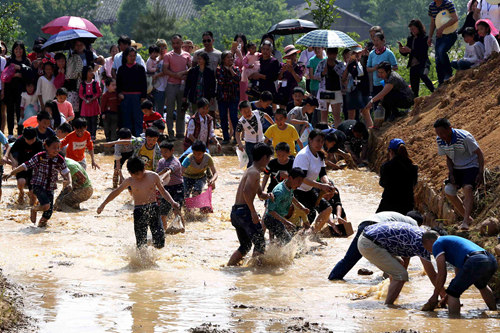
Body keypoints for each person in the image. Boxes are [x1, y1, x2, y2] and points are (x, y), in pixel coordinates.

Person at [97, 157, 180, 249]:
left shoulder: (153, 176)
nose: (135, 176)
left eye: (137, 174)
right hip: (139, 211)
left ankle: (150, 242)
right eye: (132, 174)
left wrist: (173, 202)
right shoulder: (130, 180)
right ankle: (144, 248)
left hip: (153, 208)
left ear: (144, 169)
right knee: (140, 245)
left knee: (160, 244)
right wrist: (103, 204)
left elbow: (163, 191)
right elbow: (116, 192)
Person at [357, 222, 441, 305]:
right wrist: (444, 296)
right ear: (429, 241)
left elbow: (405, 256)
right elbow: (432, 275)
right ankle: (388, 306)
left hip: (368, 238)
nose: (437, 248)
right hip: (369, 243)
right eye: (436, 245)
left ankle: (392, 296)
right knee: (401, 274)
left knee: (400, 264)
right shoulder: (422, 244)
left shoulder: (422, 235)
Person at [328, 211, 421, 280]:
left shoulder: (398, 216)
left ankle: (333, 279)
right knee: (391, 260)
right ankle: (387, 282)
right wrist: (403, 278)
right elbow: (406, 256)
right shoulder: (414, 225)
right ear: (420, 224)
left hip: (365, 224)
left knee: (350, 258)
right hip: (378, 227)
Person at [422, 232, 497, 315]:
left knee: (453, 293)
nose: (429, 252)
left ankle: (454, 322)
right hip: (491, 260)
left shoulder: (437, 244)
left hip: (475, 260)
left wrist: (435, 296)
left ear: (428, 240)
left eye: (426, 248)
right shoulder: (450, 242)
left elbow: (442, 272)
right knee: (481, 286)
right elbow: (459, 276)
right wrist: (446, 298)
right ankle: (494, 312)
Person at [3, 136, 71, 227]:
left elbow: (66, 171)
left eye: (58, 147)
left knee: (48, 214)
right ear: (46, 146)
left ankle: (39, 229)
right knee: (46, 205)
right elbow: (25, 165)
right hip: (38, 185)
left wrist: (69, 182)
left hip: (50, 187)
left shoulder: (59, 159)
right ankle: (34, 209)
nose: (57, 150)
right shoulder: (40, 156)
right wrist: (11, 173)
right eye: (54, 147)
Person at [227, 143, 274, 266]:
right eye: (269, 158)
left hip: (236, 212)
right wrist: (253, 212)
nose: (269, 161)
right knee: (260, 243)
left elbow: (259, 194)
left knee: (246, 245)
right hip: (244, 212)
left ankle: (230, 267)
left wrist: (268, 195)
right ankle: (256, 273)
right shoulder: (255, 173)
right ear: (264, 158)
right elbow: (246, 192)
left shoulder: (250, 170)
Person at [434, 118, 484, 230]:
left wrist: (480, 172)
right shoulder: (440, 140)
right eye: (438, 133)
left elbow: (479, 153)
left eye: (442, 133)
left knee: (468, 188)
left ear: (450, 129)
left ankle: (465, 221)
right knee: (448, 190)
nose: (441, 136)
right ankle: (468, 218)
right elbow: (448, 157)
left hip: (471, 165)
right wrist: (451, 173)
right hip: (457, 168)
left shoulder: (465, 137)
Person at [293, 129, 336, 242]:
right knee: (303, 221)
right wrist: (321, 186)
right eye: (317, 141)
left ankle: (313, 235)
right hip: (297, 191)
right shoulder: (304, 155)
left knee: (327, 209)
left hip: (310, 190)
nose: (320, 144)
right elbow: (301, 179)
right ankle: (297, 245)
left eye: (322, 141)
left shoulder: (319, 155)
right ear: (310, 140)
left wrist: (327, 183)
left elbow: (322, 173)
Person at [264, 167, 309, 245]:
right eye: (298, 181)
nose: (300, 184)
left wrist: (302, 208)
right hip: (271, 219)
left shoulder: (289, 186)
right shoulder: (279, 192)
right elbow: (270, 211)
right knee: (287, 239)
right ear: (291, 178)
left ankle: (272, 251)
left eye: (301, 182)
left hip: (279, 218)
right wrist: (286, 222)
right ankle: (273, 254)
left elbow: (292, 197)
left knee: (287, 238)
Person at [377, 139, 418, 215]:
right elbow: (414, 184)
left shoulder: (386, 166)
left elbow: (382, 183)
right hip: (407, 205)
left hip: (388, 204)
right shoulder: (413, 167)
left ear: (391, 152)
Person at [2, 127, 43, 204]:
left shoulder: (39, 143)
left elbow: (43, 157)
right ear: (24, 137)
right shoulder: (20, 141)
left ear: (35, 137)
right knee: (21, 182)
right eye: (28, 140)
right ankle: (21, 193)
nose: (30, 142)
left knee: (32, 193)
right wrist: (13, 161)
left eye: (32, 139)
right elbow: (10, 151)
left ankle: (32, 208)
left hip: (34, 168)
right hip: (21, 166)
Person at [163, 34, 192, 140]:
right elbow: (165, 70)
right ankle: (170, 133)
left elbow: (191, 68)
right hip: (171, 85)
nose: (175, 45)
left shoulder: (187, 55)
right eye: (173, 43)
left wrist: (183, 73)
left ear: (181, 43)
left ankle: (180, 133)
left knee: (181, 110)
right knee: (170, 111)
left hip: (182, 85)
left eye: (177, 43)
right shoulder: (168, 56)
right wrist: (176, 75)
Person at [116, 47, 148, 137]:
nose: (132, 57)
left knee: (138, 118)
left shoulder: (140, 68)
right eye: (130, 56)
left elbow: (144, 84)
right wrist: (119, 93)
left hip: (138, 97)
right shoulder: (121, 69)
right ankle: (127, 137)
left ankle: (138, 137)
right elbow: (118, 84)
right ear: (126, 56)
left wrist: (143, 97)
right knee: (126, 119)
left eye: (134, 56)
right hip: (125, 98)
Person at [399, 19, 435, 98]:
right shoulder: (410, 39)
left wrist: (410, 50)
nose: (412, 31)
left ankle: (435, 92)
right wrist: (402, 50)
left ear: (419, 28)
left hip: (422, 63)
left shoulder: (424, 38)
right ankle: (415, 102)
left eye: (413, 29)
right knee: (414, 87)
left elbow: (422, 53)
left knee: (423, 76)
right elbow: (407, 53)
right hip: (413, 64)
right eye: (411, 30)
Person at [4, 41, 33, 137]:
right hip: (10, 90)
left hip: (22, 91)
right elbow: (4, 76)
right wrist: (14, 75)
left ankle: (20, 133)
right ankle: (11, 133)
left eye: (20, 48)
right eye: (16, 49)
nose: (18, 51)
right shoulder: (10, 61)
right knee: (10, 111)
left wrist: (20, 70)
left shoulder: (27, 61)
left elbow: (30, 75)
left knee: (20, 111)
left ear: (23, 50)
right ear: (13, 50)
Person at [428, 0, 459, 85]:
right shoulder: (432, 6)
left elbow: (455, 18)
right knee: (437, 58)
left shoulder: (448, 4)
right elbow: (432, 23)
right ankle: (441, 81)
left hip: (450, 34)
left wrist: (442, 27)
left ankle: (448, 73)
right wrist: (430, 36)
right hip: (440, 35)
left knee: (441, 51)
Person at [157, 141, 185, 232]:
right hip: (166, 189)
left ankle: (183, 229)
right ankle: (164, 231)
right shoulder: (161, 161)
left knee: (176, 210)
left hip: (178, 187)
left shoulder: (175, 161)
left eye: (165, 151)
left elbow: (169, 171)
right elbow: (158, 173)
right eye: (162, 152)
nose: (163, 154)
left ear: (172, 151)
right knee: (162, 213)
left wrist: (161, 178)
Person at [236, 100, 274, 167]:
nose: (247, 113)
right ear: (241, 112)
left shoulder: (257, 113)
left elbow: (266, 115)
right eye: (244, 112)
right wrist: (240, 144)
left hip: (261, 141)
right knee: (251, 161)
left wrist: (273, 124)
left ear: (251, 108)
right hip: (249, 143)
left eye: (248, 111)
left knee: (263, 159)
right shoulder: (241, 121)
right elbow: (237, 133)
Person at [314, 48, 344, 125]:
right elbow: (315, 76)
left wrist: (335, 66)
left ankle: (337, 132)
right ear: (327, 53)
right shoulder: (322, 63)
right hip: (324, 91)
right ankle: (323, 133)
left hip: (336, 91)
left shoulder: (340, 64)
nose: (332, 56)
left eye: (334, 54)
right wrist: (323, 73)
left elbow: (344, 75)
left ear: (336, 54)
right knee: (324, 115)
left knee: (336, 115)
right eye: (330, 53)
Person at [217, 51, 241, 144]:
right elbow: (221, 81)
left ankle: (236, 136)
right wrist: (232, 78)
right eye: (228, 57)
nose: (231, 59)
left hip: (233, 97)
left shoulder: (236, 68)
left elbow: (237, 79)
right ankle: (226, 137)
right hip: (222, 97)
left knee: (234, 117)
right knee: (223, 117)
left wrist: (231, 71)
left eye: (232, 57)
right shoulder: (219, 69)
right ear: (223, 59)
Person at [367, 32, 398, 103]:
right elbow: (368, 69)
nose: (375, 42)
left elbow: (395, 67)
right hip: (376, 84)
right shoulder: (372, 54)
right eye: (374, 40)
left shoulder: (389, 53)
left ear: (383, 41)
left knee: (387, 105)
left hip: (387, 84)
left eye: (377, 40)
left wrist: (385, 69)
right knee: (376, 105)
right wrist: (374, 68)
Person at [184, 52, 216, 116]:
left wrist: (212, 96)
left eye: (200, 59)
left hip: (205, 96)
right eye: (198, 59)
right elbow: (188, 84)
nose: (199, 60)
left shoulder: (209, 72)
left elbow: (213, 85)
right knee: (194, 114)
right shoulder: (193, 71)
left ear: (205, 60)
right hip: (194, 96)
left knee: (204, 114)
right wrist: (185, 96)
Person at [79, 65, 101, 140]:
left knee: (94, 120)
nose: (91, 73)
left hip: (93, 104)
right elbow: (80, 94)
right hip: (86, 105)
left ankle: (93, 135)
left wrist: (92, 99)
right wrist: (85, 100)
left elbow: (99, 92)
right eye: (89, 71)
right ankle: (87, 135)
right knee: (86, 121)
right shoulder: (82, 84)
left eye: (92, 71)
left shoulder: (95, 83)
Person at [151, 39, 168, 115]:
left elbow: (166, 71)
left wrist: (157, 75)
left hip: (168, 86)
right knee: (157, 110)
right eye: (159, 47)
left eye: (164, 47)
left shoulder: (169, 58)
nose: (162, 49)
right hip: (157, 88)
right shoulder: (154, 59)